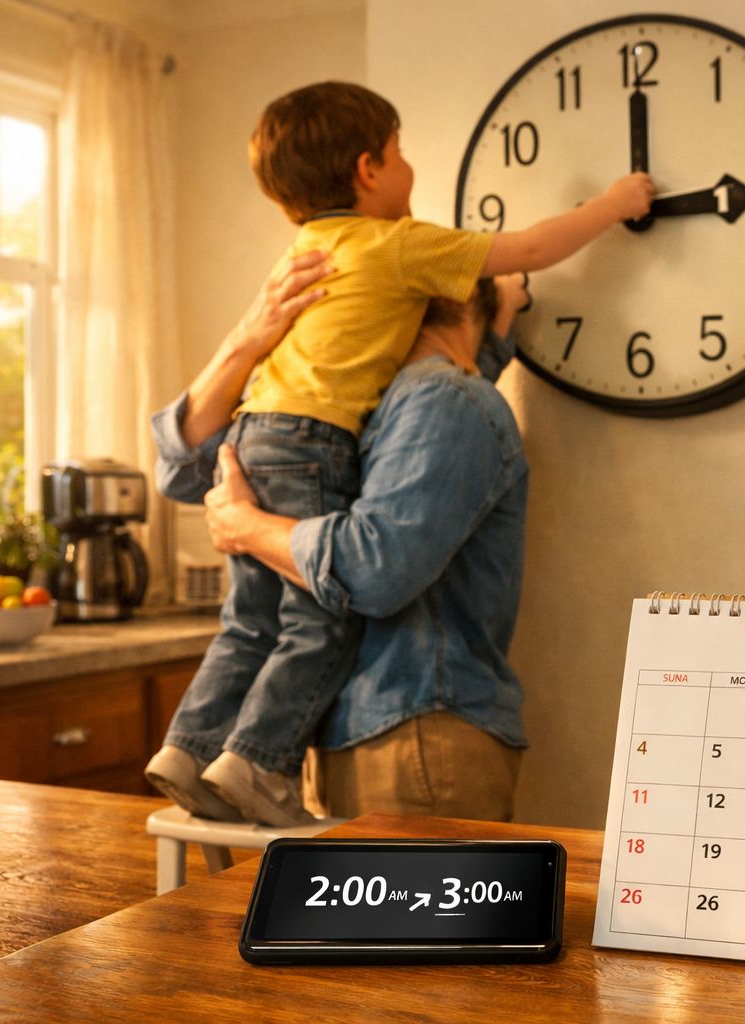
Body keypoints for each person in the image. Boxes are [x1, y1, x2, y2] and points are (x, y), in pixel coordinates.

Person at [146, 79, 652, 826]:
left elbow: (185, 472)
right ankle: (252, 760)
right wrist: (612, 205)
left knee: (250, 623)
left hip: (365, 706)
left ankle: (194, 747)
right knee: (310, 622)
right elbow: (371, 569)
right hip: (416, 729)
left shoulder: (318, 280)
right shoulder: (428, 353)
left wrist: (246, 518)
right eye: (400, 152)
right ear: (367, 168)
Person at [152, 255, 535, 824]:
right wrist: (246, 339)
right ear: (459, 305)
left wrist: (248, 527)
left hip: (402, 737)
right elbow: (181, 470)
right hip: (407, 736)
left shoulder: (425, 403)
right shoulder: (429, 400)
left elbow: (373, 567)